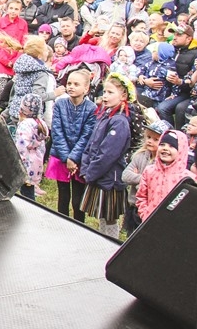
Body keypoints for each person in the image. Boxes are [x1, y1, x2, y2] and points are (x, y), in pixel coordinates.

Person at [80, 74, 136, 238]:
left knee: (110, 217)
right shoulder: (105, 115)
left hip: (110, 179)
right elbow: (91, 144)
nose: (105, 96)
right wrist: (85, 166)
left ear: (123, 95)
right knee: (103, 217)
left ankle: (111, 246)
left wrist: (91, 172)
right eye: (104, 92)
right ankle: (102, 243)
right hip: (98, 175)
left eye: (110, 92)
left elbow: (108, 154)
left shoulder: (119, 121)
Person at [45, 68, 97, 222]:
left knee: (77, 199)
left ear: (86, 88)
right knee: (63, 196)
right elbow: (57, 131)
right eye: (69, 83)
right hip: (61, 157)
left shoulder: (91, 109)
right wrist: (66, 157)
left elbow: (87, 136)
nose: (71, 86)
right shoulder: (60, 104)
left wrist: (74, 158)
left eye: (76, 84)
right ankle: (62, 224)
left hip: (78, 160)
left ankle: (78, 225)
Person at [122, 117, 168, 236]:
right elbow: (126, 176)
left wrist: (138, 177)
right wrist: (146, 178)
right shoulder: (140, 155)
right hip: (134, 206)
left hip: (151, 210)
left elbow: (156, 185)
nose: (150, 141)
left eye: (156, 139)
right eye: (148, 137)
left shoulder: (164, 162)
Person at [136, 129, 195, 221]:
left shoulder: (188, 178)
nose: (165, 148)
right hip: (150, 222)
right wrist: (145, 214)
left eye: (172, 146)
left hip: (176, 225)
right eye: (162, 144)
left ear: (181, 151)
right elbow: (141, 196)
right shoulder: (149, 171)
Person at [5, 36, 55, 126]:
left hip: (16, 111)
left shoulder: (21, 67)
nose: (48, 52)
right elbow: (38, 96)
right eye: (45, 49)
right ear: (40, 55)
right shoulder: (41, 73)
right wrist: (55, 94)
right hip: (30, 115)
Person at [14, 94, 49, 200]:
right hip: (36, 165)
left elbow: (20, 147)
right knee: (29, 190)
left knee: (26, 194)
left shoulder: (24, 125)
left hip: (25, 165)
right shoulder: (40, 123)